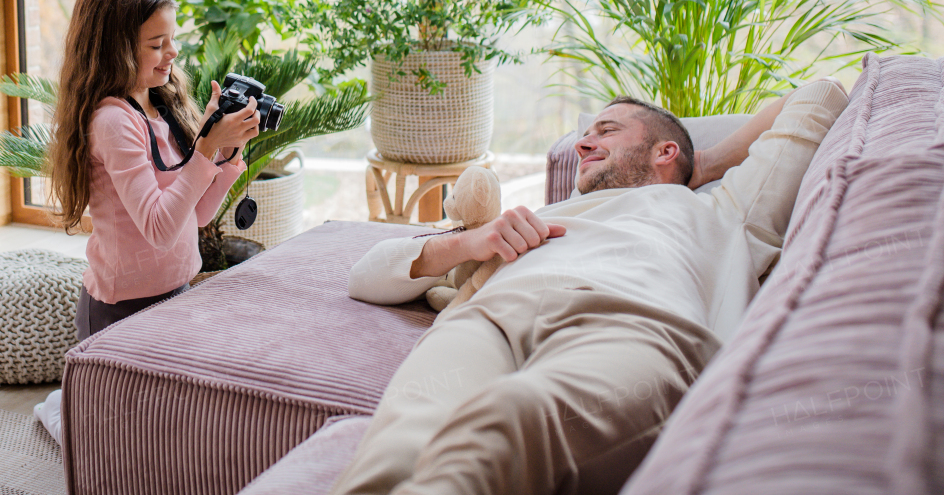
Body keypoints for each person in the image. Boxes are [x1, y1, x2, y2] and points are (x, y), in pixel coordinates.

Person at [332, 78, 849, 495]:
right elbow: (366, 277)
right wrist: (471, 244)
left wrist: (699, 168)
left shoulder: (727, 211)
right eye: (588, 133)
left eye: (607, 131)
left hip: (636, 322)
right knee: (397, 449)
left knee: (511, 422)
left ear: (664, 149)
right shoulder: (538, 218)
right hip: (488, 321)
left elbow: (819, 96)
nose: (583, 142)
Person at [33, 0, 260, 440]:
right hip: (120, 310)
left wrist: (227, 155)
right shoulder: (113, 121)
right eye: (157, 45)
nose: (172, 53)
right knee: (120, 441)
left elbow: (194, 217)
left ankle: (77, 401)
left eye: (171, 40)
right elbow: (157, 229)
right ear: (115, 48)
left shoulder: (162, 105)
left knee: (183, 427)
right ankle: (65, 408)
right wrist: (203, 152)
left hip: (174, 295)